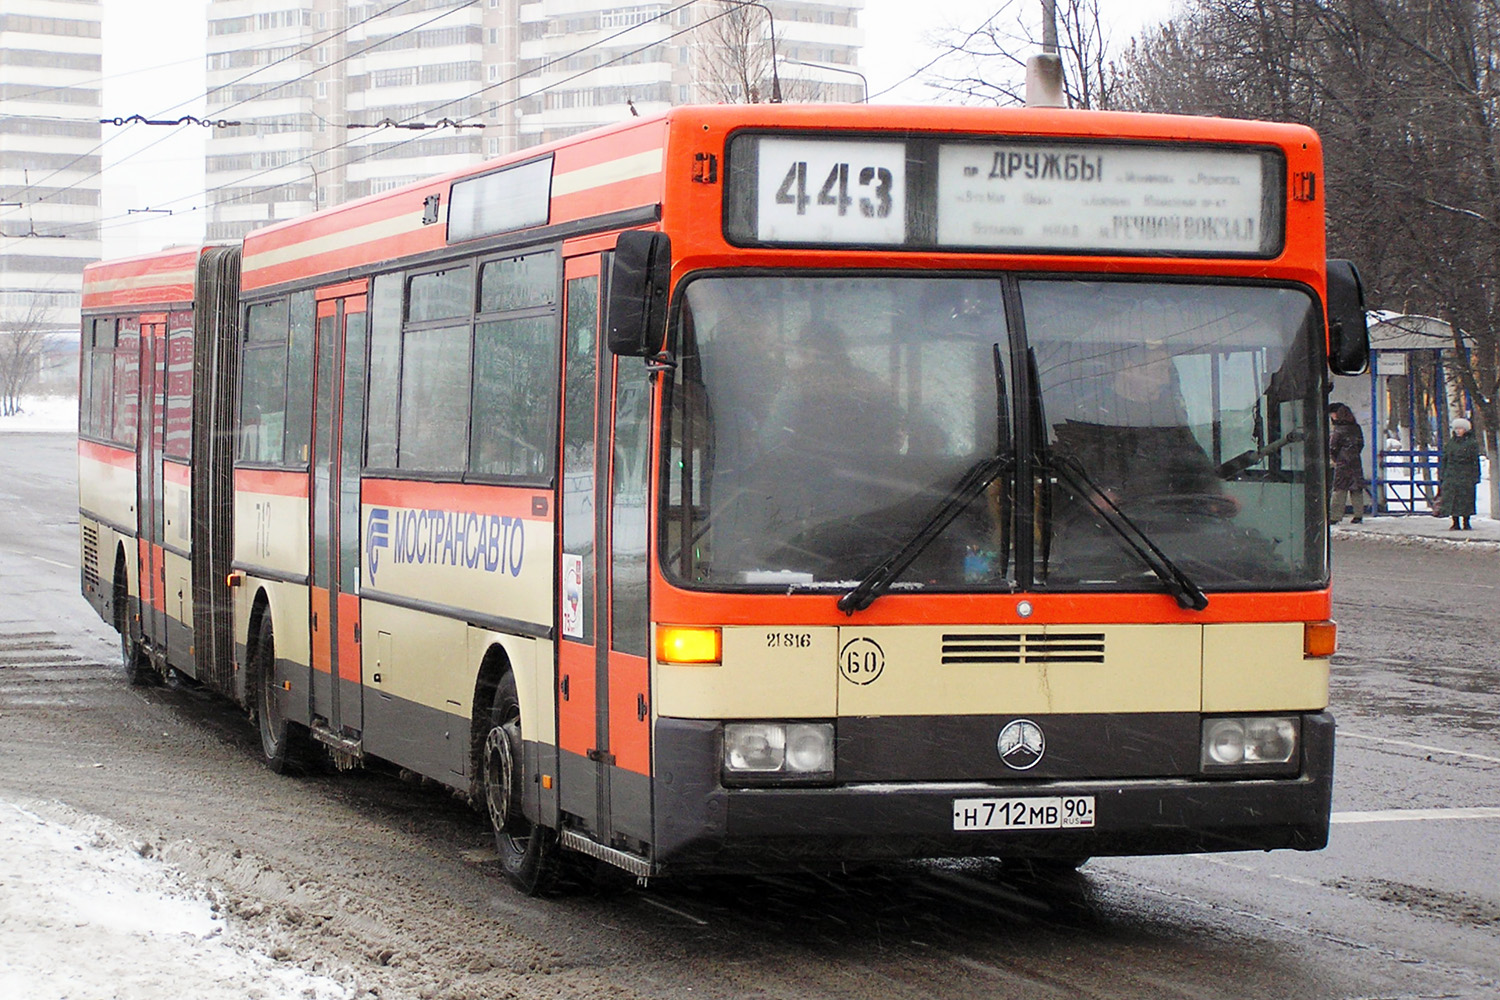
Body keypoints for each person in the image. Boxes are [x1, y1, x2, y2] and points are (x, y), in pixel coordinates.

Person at [1438, 416, 1482, 530]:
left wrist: (1476, 476)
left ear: (1466, 430)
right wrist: (1442, 475)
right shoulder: (1451, 444)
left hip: (1466, 476)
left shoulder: (1471, 444)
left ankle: (1466, 522)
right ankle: (1455, 522)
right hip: (1452, 476)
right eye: (1456, 428)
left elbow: (1474, 461)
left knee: (1466, 500)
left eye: (1460, 428)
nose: (1458, 431)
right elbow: (1445, 460)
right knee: (1453, 499)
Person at [1327, 402, 1367, 524]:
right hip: (1355, 461)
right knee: (1356, 489)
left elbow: (1333, 447)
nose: (1331, 417)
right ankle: (1358, 515)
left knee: (1340, 489)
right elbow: (1361, 444)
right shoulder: (1356, 427)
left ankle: (1335, 516)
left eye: (1332, 414)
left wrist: (1335, 458)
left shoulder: (1338, 430)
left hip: (1342, 462)